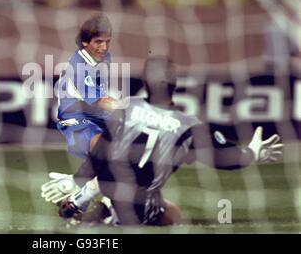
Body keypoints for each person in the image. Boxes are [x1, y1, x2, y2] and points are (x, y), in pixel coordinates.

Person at [43, 56, 283, 226]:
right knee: (175, 215)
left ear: (145, 83)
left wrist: (78, 179)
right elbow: (222, 159)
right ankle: (106, 216)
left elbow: (100, 150)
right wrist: (251, 153)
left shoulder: (126, 107)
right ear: (174, 85)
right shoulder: (187, 126)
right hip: (142, 201)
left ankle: (92, 195)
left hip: (112, 180)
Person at [52, 13, 119, 210]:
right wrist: (133, 109)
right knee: (105, 150)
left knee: (121, 151)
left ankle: (79, 191)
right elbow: (101, 100)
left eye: (107, 42)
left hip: (96, 117)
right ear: (84, 42)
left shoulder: (104, 58)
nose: (104, 47)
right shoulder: (78, 66)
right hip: (73, 119)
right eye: (98, 42)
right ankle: (78, 194)